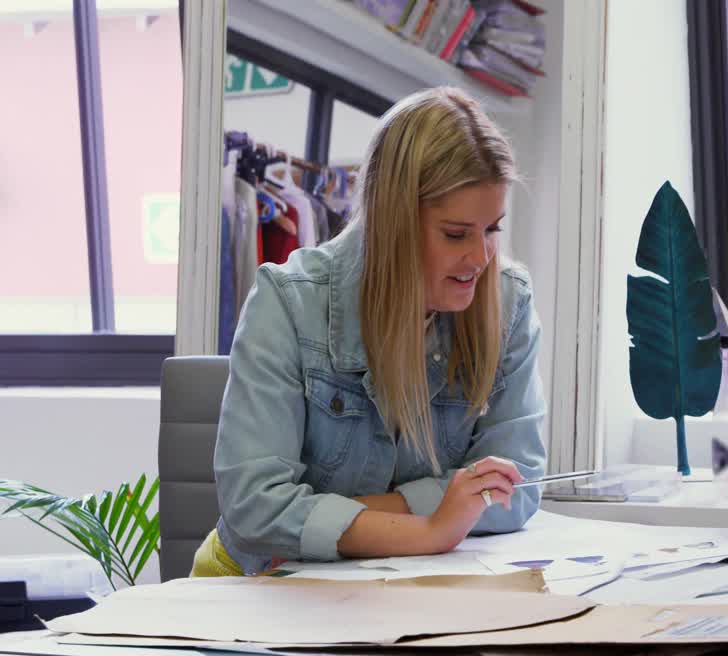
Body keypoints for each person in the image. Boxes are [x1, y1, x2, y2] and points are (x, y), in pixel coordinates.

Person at [193, 87, 546, 577]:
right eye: (456, 233)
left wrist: (352, 515)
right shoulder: (288, 302)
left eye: (491, 229)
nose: (481, 258)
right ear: (393, 221)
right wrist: (432, 528)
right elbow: (255, 510)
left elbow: (517, 487)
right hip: (256, 587)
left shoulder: (510, 302)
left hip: (394, 591)